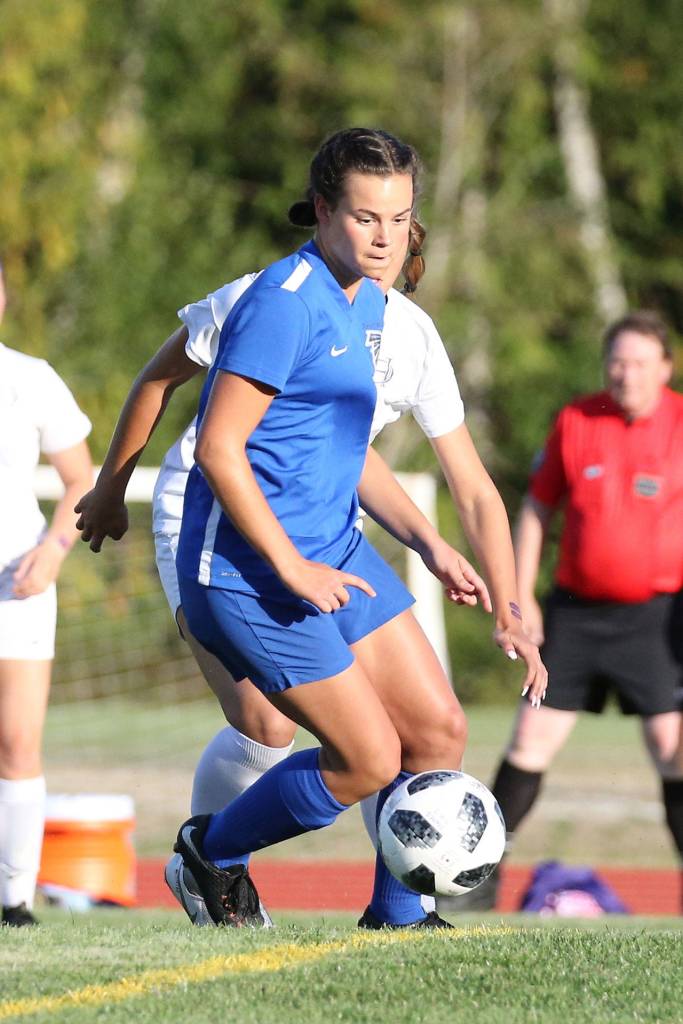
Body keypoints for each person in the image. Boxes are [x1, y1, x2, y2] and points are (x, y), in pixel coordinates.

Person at [77, 128, 545, 928]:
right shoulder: (279, 304)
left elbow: (352, 455)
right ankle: (209, 855)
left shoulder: (371, 310)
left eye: (399, 220)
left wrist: (490, 587)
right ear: (323, 210)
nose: (385, 237)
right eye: (366, 218)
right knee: (364, 758)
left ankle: (398, 921)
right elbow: (220, 450)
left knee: (437, 728)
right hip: (247, 569)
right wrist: (289, 567)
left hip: (330, 545)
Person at [480, 310, 683, 910]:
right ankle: (477, 877)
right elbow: (536, 510)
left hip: (658, 618)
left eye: (641, 362)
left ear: (665, 368)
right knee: (529, 742)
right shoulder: (576, 420)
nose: (627, 374)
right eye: (617, 361)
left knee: (675, 753)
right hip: (574, 615)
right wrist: (518, 600)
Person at [0, 263, 93, 926]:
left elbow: (80, 480)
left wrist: (54, 552)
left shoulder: (30, 378)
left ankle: (15, 902)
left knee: (16, 738)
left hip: (18, 582)